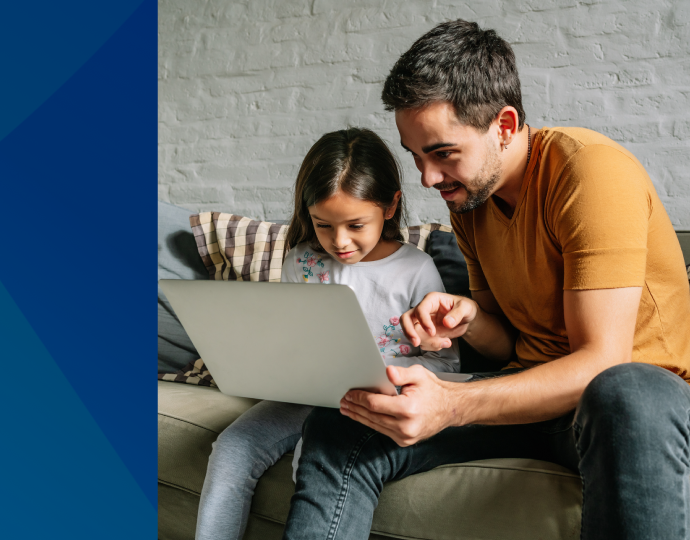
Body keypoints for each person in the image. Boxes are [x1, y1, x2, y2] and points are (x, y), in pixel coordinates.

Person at [283, 20, 690, 540]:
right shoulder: (470, 202)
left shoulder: (589, 173)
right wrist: (468, 320)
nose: (428, 178)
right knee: (352, 416)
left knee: (625, 390)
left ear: (503, 125)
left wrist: (450, 405)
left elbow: (601, 363)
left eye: (443, 153)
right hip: (531, 400)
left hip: (627, 410)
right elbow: (509, 351)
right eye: (415, 155)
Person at [195, 127, 460, 540]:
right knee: (232, 448)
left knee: (317, 453)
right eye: (323, 225)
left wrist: (417, 352)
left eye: (356, 225)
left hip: (370, 404)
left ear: (391, 206)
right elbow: (287, 338)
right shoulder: (301, 261)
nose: (340, 241)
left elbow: (446, 363)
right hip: (305, 395)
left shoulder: (416, 268)